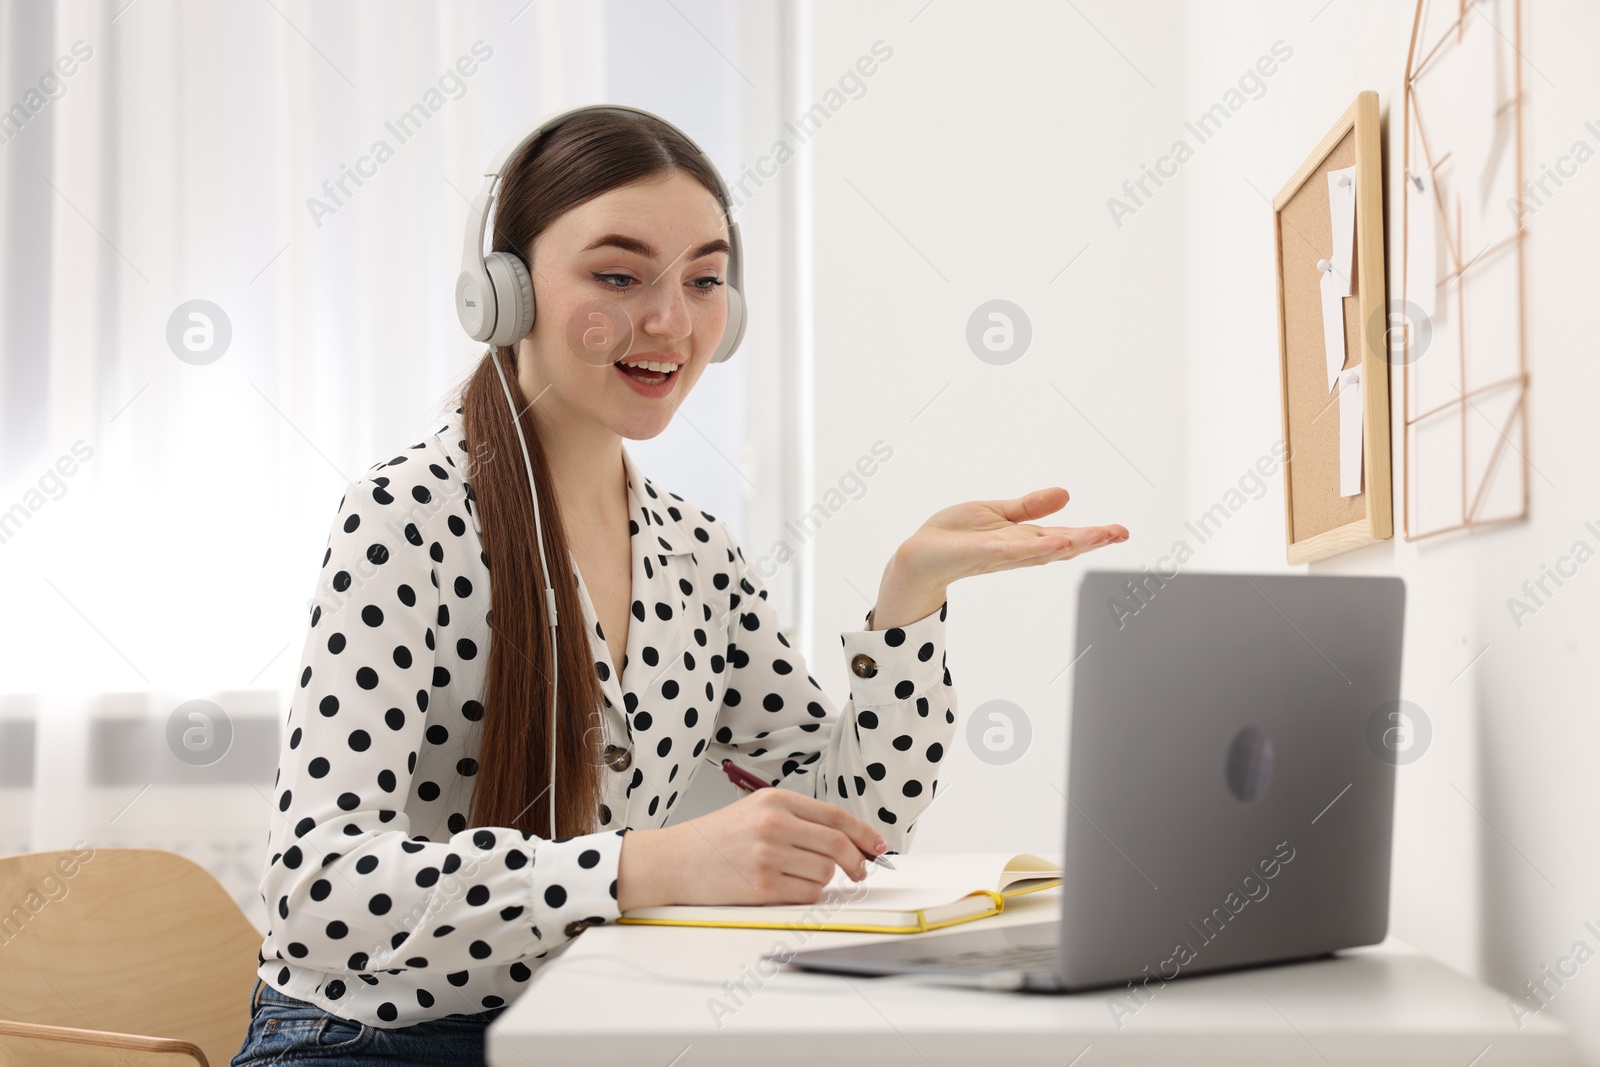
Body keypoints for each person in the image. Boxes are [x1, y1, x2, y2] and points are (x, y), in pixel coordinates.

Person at [231, 106, 1128, 1066]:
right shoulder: (404, 518)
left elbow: (854, 821)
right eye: (618, 276)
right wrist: (646, 865)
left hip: (590, 1024)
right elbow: (313, 889)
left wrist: (908, 601)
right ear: (503, 293)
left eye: (704, 280)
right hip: (373, 1036)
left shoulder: (695, 551)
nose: (669, 321)